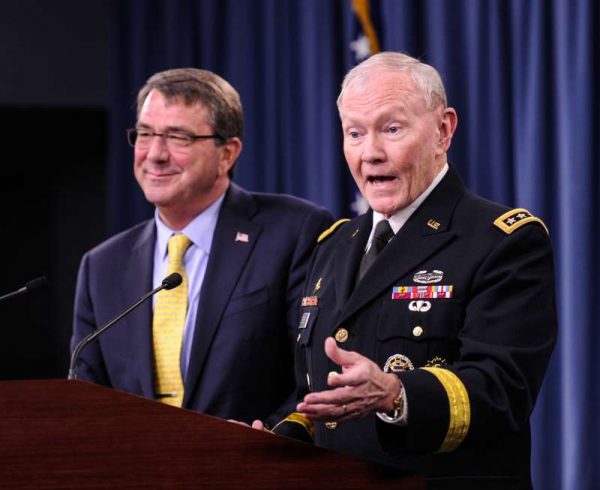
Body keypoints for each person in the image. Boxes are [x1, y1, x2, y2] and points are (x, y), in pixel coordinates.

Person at [262, 52, 557, 489]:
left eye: (392, 129)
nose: (371, 153)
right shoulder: (332, 245)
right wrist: (281, 435)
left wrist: (396, 395)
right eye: (355, 133)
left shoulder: (503, 240)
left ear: (443, 130)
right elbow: (314, 391)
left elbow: (502, 389)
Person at [71, 68, 332, 425]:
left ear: (227, 154)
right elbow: (86, 399)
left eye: (178, 138)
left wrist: (270, 435)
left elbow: (317, 371)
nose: (155, 154)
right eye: (145, 134)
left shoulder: (294, 231)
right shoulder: (102, 266)